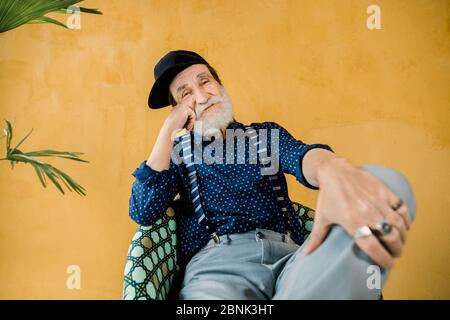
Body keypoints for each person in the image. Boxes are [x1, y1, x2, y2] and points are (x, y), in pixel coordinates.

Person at [129, 50, 416, 299]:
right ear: (179, 110)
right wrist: (168, 131)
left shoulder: (265, 135)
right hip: (218, 270)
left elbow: (303, 157)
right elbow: (144, 210)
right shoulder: (177, 155)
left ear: (220, 86)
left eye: (206, 82)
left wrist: (330, 167)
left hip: (294, 262)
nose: (202, 96)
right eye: (186, 93)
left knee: (387, 185)